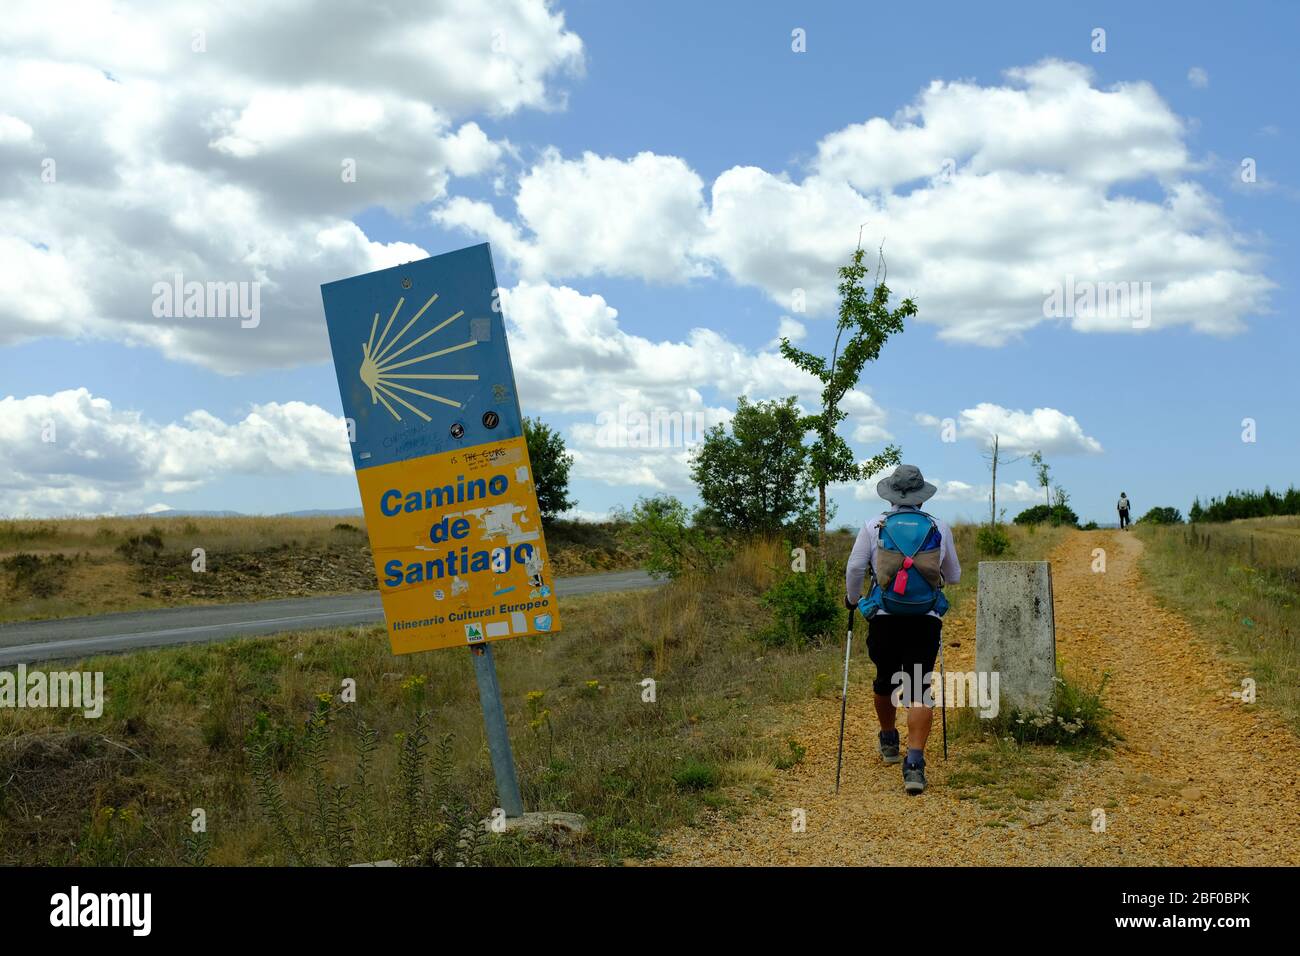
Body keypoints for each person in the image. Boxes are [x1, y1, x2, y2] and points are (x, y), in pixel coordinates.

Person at [845, 464, 960, 795]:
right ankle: (914, 765)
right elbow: (953, 576)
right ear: (922, 498)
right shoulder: (940, 526)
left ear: (892, 495)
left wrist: (853, 600)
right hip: (924, 618)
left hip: (884, 616)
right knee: (917, 687)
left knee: (885, 678)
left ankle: (889, 738)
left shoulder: (874, 525)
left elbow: (855, 568)